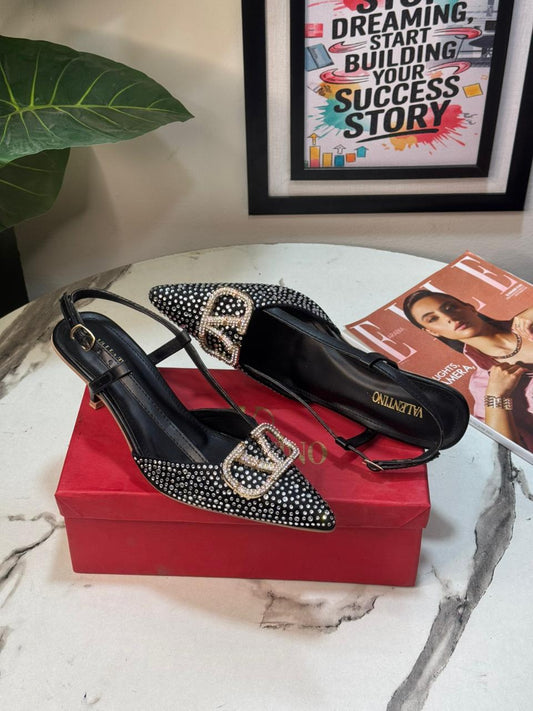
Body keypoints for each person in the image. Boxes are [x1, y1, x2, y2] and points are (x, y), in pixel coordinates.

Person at [402, 290, 533, 450]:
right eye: (433, 319)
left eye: (449, 308)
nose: (449, 318)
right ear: (432, 331)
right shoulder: (484, 385)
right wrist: (497, 396)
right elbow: (505, 453)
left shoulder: (527, 321)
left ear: (470, 307)